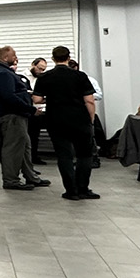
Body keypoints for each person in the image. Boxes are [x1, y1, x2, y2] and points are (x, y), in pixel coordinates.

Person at [33, 47, 99, 200]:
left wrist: (51, 98)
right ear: (68, 58)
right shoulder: (80, 76)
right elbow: (89, 100)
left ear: (53, 58)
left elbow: (36, 100)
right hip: (79, 119)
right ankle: (83, 188)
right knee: (84, 155)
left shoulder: (45, 77)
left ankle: (71, 191)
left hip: (56, 120)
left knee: (64, 155)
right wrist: (91, 119)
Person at [0, 46, 47, 190]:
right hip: (11, 116)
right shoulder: (2, 73)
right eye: (14, 56)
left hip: (15, 116)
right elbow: (9, 97)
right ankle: (11, 180)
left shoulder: (2, 71)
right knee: (13, 149)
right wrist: (31, 109)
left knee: (25, 147)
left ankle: (31, 176)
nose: (16, 58)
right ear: (5, 57)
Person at [28, 58, 50, 165]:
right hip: (29, 110)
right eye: (39, 68)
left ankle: (34, 156)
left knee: (35, 135)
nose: (41, 71)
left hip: (40, 108)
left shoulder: (42, 78)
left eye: (43, 70)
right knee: (30, 135)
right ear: (33, 65)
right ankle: (29, 157)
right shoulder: (23, 77)